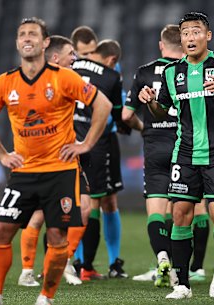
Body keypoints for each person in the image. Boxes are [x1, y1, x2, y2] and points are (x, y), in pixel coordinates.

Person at [0, 17, 111, 305]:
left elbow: (104, 104)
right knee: (2, 230)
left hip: (60, 171)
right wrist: (1, 153)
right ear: (16, 42)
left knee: (57, 236)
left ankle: (45, 298)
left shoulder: (64, 77)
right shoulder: (5, 82)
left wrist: (85, 144)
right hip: (23, 172)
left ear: (45, 42)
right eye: (22, 34)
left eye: (33, 34)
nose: (27, 38)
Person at [138, 12, 214, 299]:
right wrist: (152, 102)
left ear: (208, 35)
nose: (190, 37)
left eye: (196, 32)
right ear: (181, 39)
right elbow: (161, 110)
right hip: (184, 153)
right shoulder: (171, 72)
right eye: (186, 33)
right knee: (179, 215)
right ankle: (182, 285)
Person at [123, 24, 210, 286]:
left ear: (161, 45)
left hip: (155, 146)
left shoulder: (144, 72)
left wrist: (144, 128)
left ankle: (164, 260)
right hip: (186, 145)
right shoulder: (190, 70)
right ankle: (196, 267)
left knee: (157, 210)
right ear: (183, 43)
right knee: (196, 207)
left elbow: (126, 115)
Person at [18, 35, 86, 287]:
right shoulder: (44, 83)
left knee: (80, 210)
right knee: (39, 216)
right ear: (56, 57)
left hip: (67, 158)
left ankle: (62, 262)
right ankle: (28, 270)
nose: (75, 58)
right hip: (46, 161)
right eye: (71, 54)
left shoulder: (68, 80)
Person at [71, 39, 129, 280]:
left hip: (79, 140)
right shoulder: (110, 74)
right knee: (91, 201)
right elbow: (117, 112)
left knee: (103, 200)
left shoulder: (71, 68)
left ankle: (103, 262)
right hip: (95, 140)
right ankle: (83, 264)